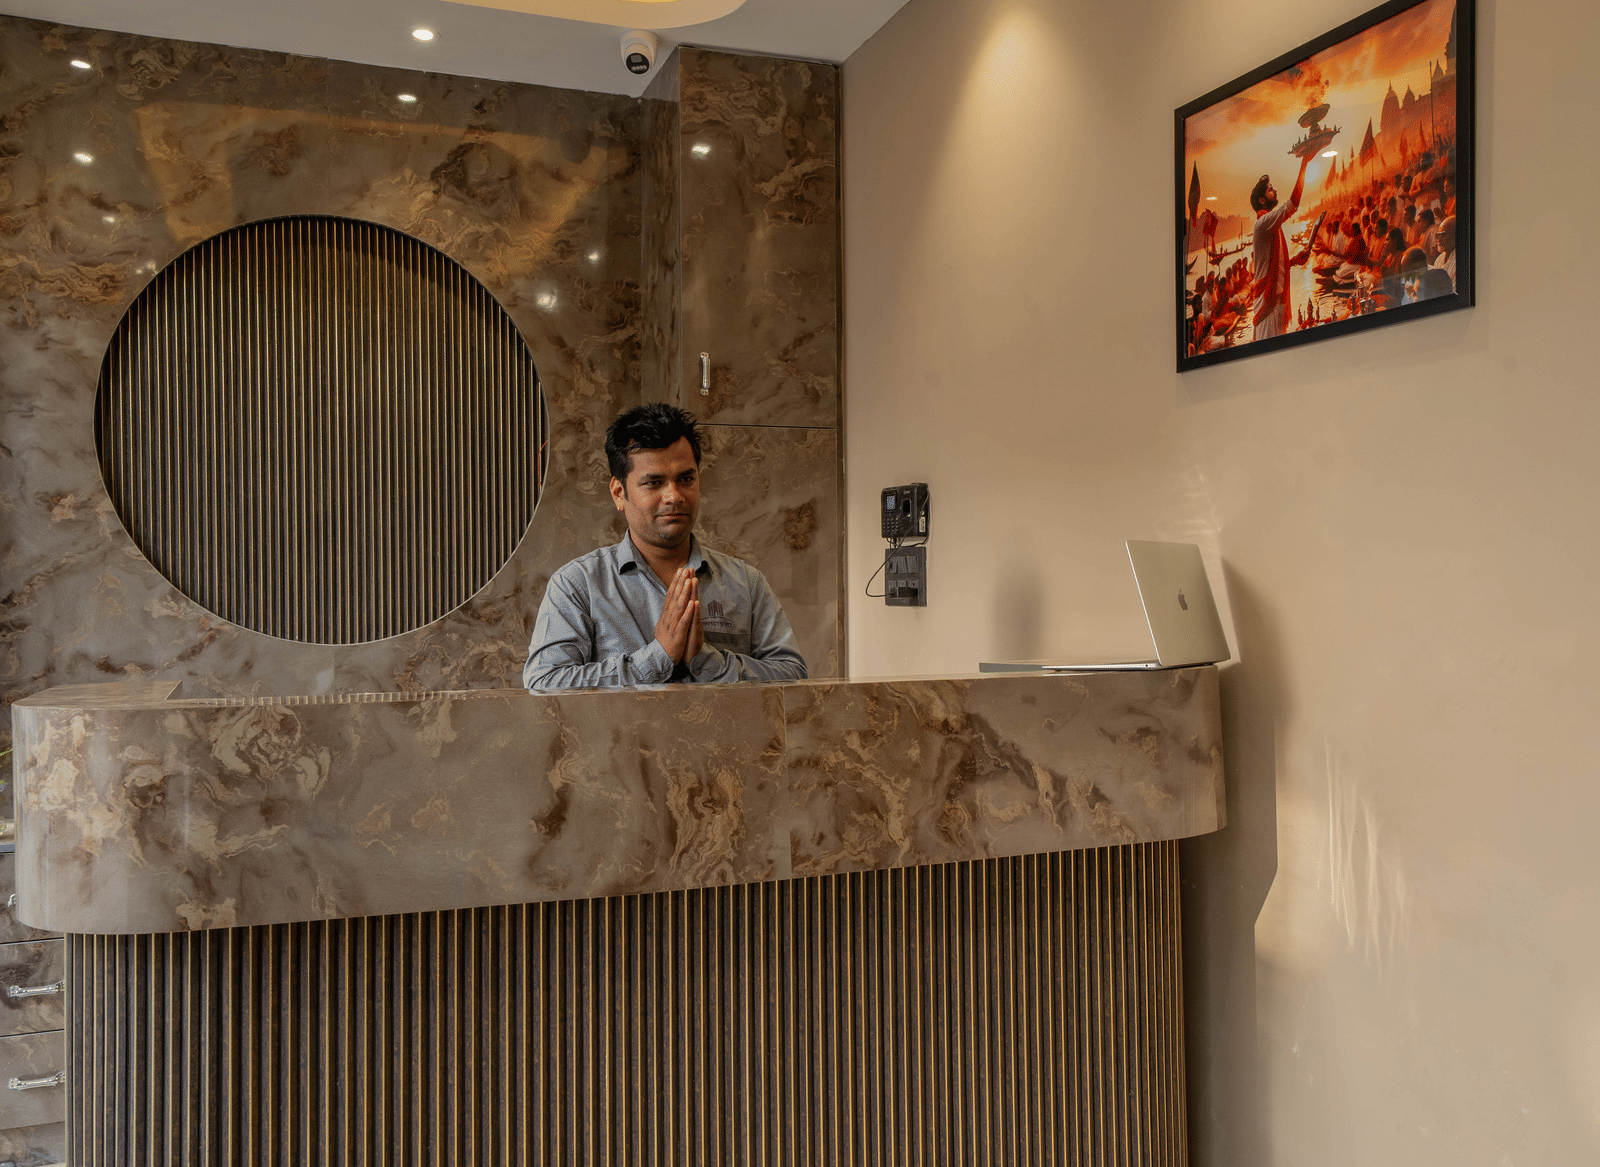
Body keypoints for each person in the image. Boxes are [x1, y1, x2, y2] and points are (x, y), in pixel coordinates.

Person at [523, 403, 808, 690]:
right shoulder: (578, 585)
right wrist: (659, 656)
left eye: (685, 479)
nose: (674, 496)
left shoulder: (745, 583)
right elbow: (544, 681)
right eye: (654, 482)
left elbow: (793, 676)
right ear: (619, 493)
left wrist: (706, 660)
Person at [1249, 151, 1312, 342]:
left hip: (1275, 307)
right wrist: (1304, 163)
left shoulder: (1270, 225)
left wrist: (1293, 261)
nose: (1274, 191)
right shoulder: (1263, 223)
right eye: (1270, 189)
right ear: (1262, 200)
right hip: (1268, 307)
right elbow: (1292, 205)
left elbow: (1274, 266)